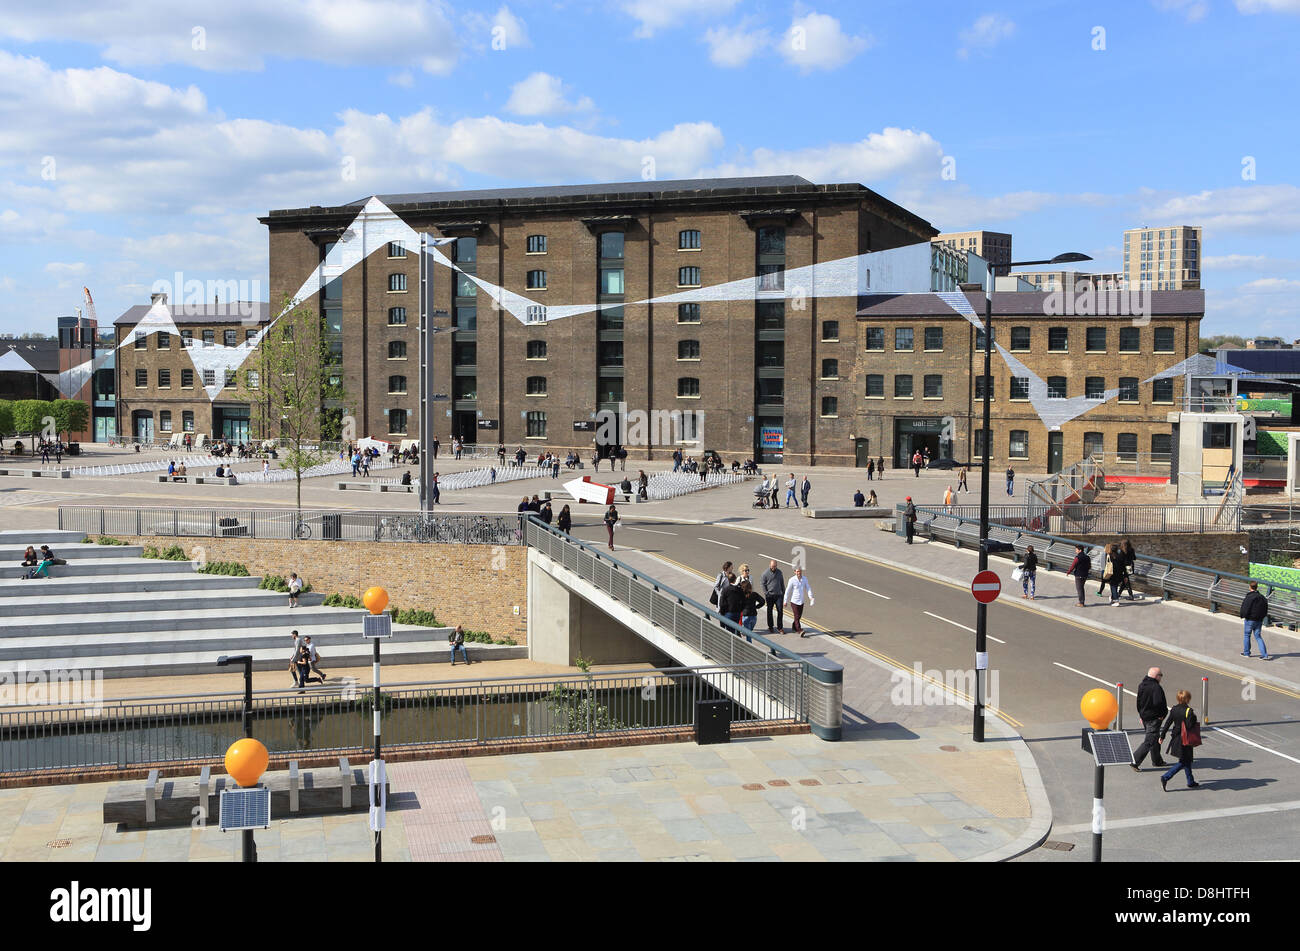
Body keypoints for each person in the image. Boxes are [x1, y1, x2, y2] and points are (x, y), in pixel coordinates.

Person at [1159, 690, 1201, 791]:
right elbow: (1190, 725)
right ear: (1187, 699)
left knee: (1187, 760)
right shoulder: (1189, 711)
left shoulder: (1174, 709)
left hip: (1176, 738)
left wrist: (1162, 735)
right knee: (1184, 761)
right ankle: (1166, 777)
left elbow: (1168, 723)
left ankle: (1190, 781)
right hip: (1185, 739)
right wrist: (1194, 717)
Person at [1131, 667, 1169, 772]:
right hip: (1154, 718)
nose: (1161, 677)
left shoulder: (1142, 685)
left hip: (1145, 717)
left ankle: (1157, 760)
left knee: (1155, 738)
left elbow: (1139, 702)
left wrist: (1141, 715)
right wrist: (1162, 714)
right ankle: (1135, 760)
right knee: (1149, 740)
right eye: (1161, 675)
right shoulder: (1156, 687)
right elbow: (1159, 703)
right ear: (1156, 676)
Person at [1239, 581, 1271, 660]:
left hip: (1250, 620)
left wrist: (1243, 615)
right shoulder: (1262, 597)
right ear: (1257, 587)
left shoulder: (1249, 597)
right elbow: (1265, 609)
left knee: (1247, 635)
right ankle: (1264, 655)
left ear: (1250, 587)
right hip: (1259, 620)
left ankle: (1246, 653)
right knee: (1258, 637)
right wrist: (1262, 617)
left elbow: (1245, 608)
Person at [783, 567, 814, 638]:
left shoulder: (805, 579)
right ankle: (799, 630)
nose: (798, 573)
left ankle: (794, 627)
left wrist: (810, 597)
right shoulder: (792, 580)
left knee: (798, 616)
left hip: (801, 601)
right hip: (794, 601)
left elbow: (808, 588)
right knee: (796, 616)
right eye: (797, 571)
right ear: (795, 572)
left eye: (799, 571)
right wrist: (785, 601)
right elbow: (787, 591)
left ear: (801, 571)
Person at [760, 559, 785, 634]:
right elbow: (763, 584)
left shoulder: (779, 572)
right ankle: (770, 627)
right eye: (772, 566)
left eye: (775, 566)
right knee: (769, 611)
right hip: (770, 596)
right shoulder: (765, 574)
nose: (774, 567)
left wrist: (783, 592)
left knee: (780, 611)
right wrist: (766, 593)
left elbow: (782, 582)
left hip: (779, 595)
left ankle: (780, 627)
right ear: (770, 565)